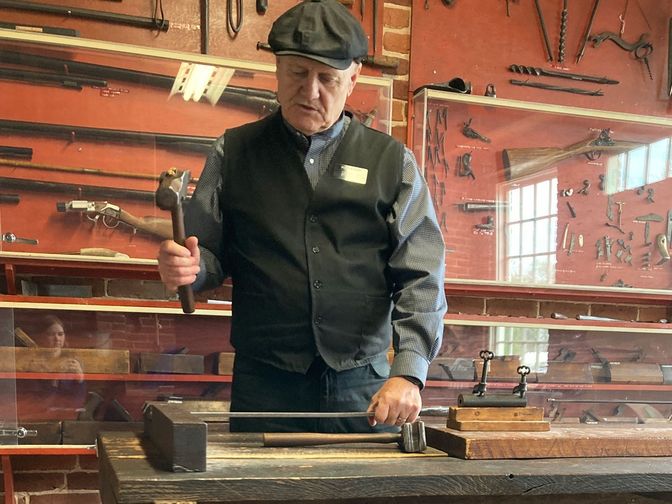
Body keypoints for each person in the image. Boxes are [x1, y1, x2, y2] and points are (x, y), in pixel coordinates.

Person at [158, 0, 447, 433]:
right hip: (264, 384)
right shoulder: (233, 152)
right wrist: (188, 268)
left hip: (364, 387)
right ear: (277, 69)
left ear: (353, 79)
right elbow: (209, 256)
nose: (310, 91)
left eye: (327, 78)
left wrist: (408, 372)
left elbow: (422, 273)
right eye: (297, 73)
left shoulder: (392, 162)